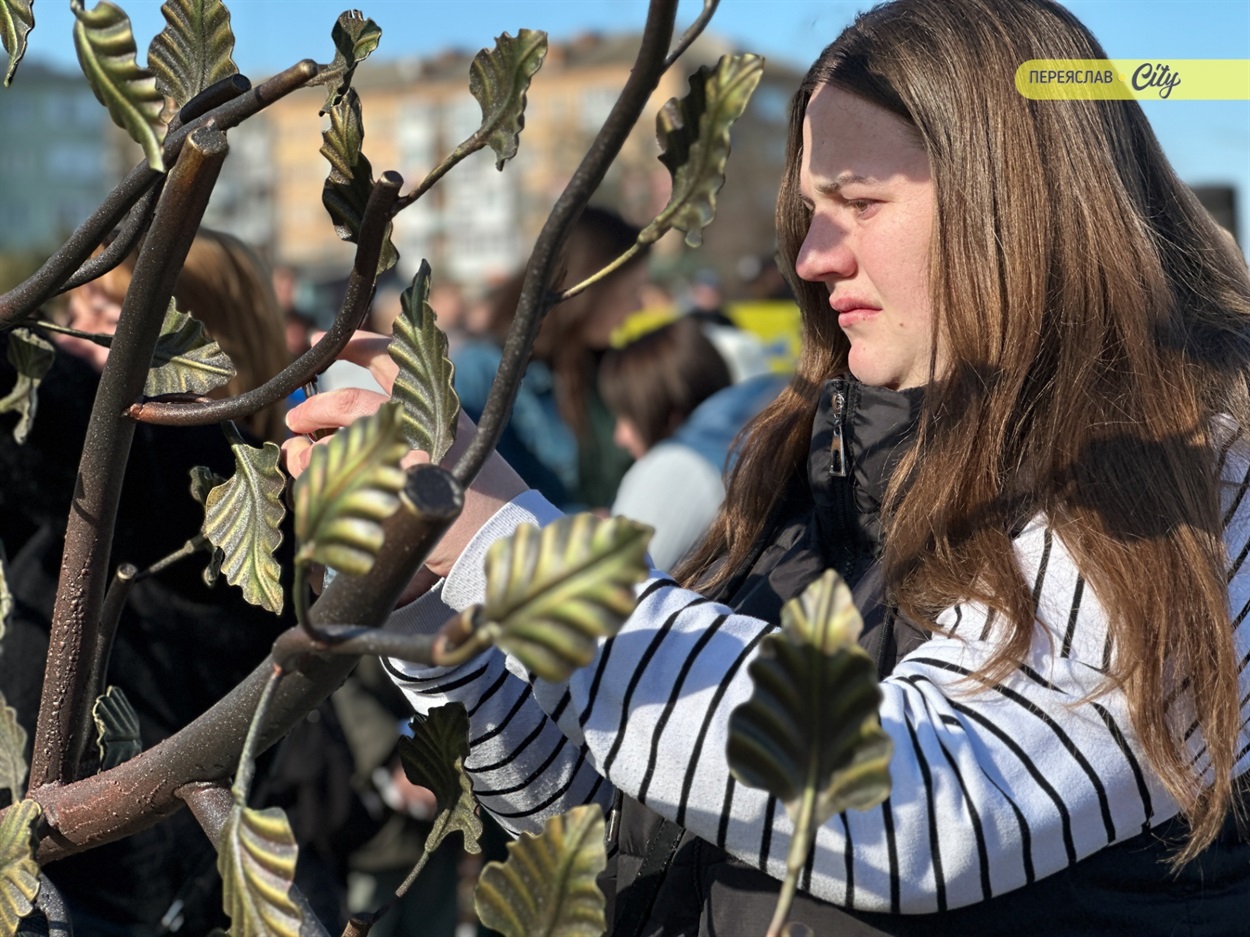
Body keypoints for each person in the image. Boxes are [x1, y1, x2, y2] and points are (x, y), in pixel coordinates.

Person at [283, 0, 1250, 933]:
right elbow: (613, 816)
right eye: (811, 209)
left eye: (861, 203)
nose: (814, 256)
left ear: (1021, 199)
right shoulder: (805, 455)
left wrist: (515, 546)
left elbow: (932, 804)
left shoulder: (1190, 468)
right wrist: (426, 591)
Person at [451, 205, 650, 510]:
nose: (639, 308)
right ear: (588, 287)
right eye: (631, 292)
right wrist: (582, 521)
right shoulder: (483, 372)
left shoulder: (599, 366)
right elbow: (473, 499)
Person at [600, 317, 783, 569]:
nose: (620, 436)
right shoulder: (750, 439)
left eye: (627, 417)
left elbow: (610, 589)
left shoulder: (672, 467)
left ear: (667, 414)